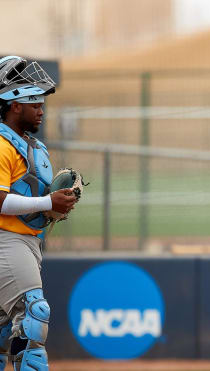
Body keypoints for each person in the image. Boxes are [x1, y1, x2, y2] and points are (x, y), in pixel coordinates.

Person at [0, 56, 78, 371]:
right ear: (15, 106)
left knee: (7, 330)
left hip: (27, 243)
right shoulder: (2, 145)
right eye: (36, 105)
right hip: (7, 241)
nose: (42, 111)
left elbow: (32, 202)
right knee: (34, 313)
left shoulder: (30, 146)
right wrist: (48, 204)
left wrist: (57, 205)